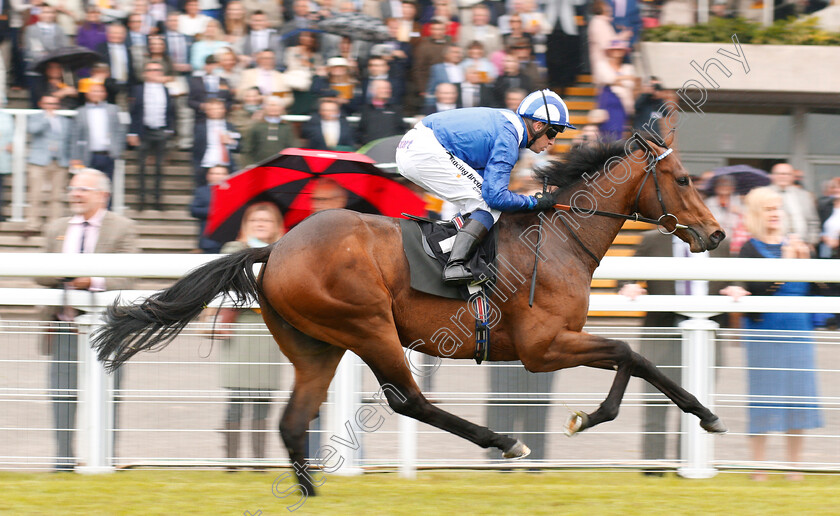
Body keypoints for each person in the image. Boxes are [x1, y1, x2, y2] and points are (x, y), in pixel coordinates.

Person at [396, 88, 574, 285]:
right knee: (487, 206)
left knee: (480, 201)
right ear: (538, 125)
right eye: (553, 132)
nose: (552, 141)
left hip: (418, 146)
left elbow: (487, 184)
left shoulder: (509, 125)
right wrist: (534, 202)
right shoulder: (509, 138)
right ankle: (455, 265)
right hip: (424, 149)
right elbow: (495, 197)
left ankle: (454, 252)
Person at [36, 168, 138, 471]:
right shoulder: (56, 226)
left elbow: (129, 276)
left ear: (102, 195)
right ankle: (63, 460)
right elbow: (37, 271)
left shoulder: (122, 228)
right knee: (62, 397)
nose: (75, 194)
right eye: (72, 188)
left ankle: (105, 458)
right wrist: (63, 273)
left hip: (106, 332)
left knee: (108, 398)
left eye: (83, 189)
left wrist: (91, 280)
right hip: (64, 328)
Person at [722, 186, 824, 481]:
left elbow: (821, 289)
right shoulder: (749, 249)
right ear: (756, 214)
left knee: (798, 396)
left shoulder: (797, 244)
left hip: (798, 329)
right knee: (764, 396)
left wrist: (807, 262)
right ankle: (759, 465)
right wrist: (785, 266)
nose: (775, 214)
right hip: (764, 330)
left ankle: (794, 465)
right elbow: (756, 291)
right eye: (768, 209)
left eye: (778, 208)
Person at [619, 230, 729, 474]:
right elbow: (625, 274)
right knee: (655, 406)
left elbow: (737, 278)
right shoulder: (652, 240)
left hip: (706, 336)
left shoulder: (721, 243)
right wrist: (629, 286)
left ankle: (689, 465)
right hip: (661, 334)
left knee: (698, 406)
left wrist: (737, 288)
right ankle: (653, 468)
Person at [215, 201, 285, 467]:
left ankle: (258, 462)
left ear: (275, 226)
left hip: (268, 334)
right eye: (255, 219)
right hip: (240, 332)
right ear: (246, 224)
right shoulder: (234, 250)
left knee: (262, 401)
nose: (260, 224)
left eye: (266, 220)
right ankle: (231, 462)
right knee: (235, 397)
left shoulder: (283, 252)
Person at [127, 61, 175, 211]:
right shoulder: (138, 90)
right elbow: (133, 112)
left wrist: (170, 130)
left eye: (158, 70)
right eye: (151, 70)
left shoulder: (167, 90)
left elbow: (172, 111)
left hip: (161, 131)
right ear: (145, 73)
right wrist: (132, 132)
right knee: (141, 167)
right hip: (143, 131)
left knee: (159, 168)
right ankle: (141, 200)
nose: (154, 72)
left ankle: (157, 200)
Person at [26, 95, 72, 232]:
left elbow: (69, 140)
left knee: (57, 196)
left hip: (59, 161)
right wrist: (47, 119)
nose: (51, 106)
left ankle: (55, 226)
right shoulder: (35, 118)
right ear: (41, 104)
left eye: (54, 104)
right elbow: (33, 130)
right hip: (39, 161)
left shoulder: (65, 121)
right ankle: (32, 224)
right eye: (48, 103)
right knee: (35, 194)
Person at [69, 82, 126, 181]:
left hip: (108, 155)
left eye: (100, 91)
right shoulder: (81, 112)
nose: (97, 94)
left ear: (105, 94)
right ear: (87, 94)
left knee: (107, 185)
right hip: (87, 155)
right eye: (94, 91)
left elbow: (120, 131)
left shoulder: (113, 109)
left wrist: (117, 150)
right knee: (89, 183)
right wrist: (75, 156)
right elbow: (75, 136)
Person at [768, 162, 820, 248]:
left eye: (787, 174)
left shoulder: (804, 195)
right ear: (772, 176)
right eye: (779, 174)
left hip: (802, 245)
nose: (783, 176)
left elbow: (813, 221)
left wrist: (811, 242)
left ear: (792, 177)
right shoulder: (763, 194)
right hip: (774, 245)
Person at [594, 39, 637, 141]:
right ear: (609, 51)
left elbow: (630, 83)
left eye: (620, 50)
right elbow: (605, 78)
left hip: (622, 103)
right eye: (614, 50)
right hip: (607, 100)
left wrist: (616, 79)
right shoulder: (601, 65)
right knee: (605, 130)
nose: (617, 52)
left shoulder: (628, 67)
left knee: (618, 131)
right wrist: (624, 78)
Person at [192, 98, 240, 185]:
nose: (215, 111)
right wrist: (197, 167)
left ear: (224, 110)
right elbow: (196, 149)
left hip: (226, 165)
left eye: (218, 108)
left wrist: (231, 142)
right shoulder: (199, 127)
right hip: (206, 164)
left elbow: (240, 147)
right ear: (206, 111)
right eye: (212, 109)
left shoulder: (230, 126)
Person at [241, 96, 299, 165]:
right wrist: (251, 165)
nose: (273, 108)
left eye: (276, 105)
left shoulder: (287, 127)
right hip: (259, 167)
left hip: (281, 167)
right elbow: (247, 149)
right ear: (264, 108)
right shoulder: (257, 126)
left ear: (282, 108)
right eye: (270, 105)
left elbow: (293, 148)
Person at [190, 165, 229, 254]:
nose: (218, 176)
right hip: (210, 240)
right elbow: (194, 210)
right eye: (215, 173)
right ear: (208, 176)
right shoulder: (202, 191)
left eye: (222, 174)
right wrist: (214, 212)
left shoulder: (234, 190)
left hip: (230, 239)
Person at [356, 79, 406, 145]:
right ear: (373, 90)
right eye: (383, 88)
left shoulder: (395, 109)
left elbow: (401, 130)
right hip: (370, 149)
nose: (387, 90)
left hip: (391, 149)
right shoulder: (365, 109)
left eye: (388, 88)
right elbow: (360, 130)